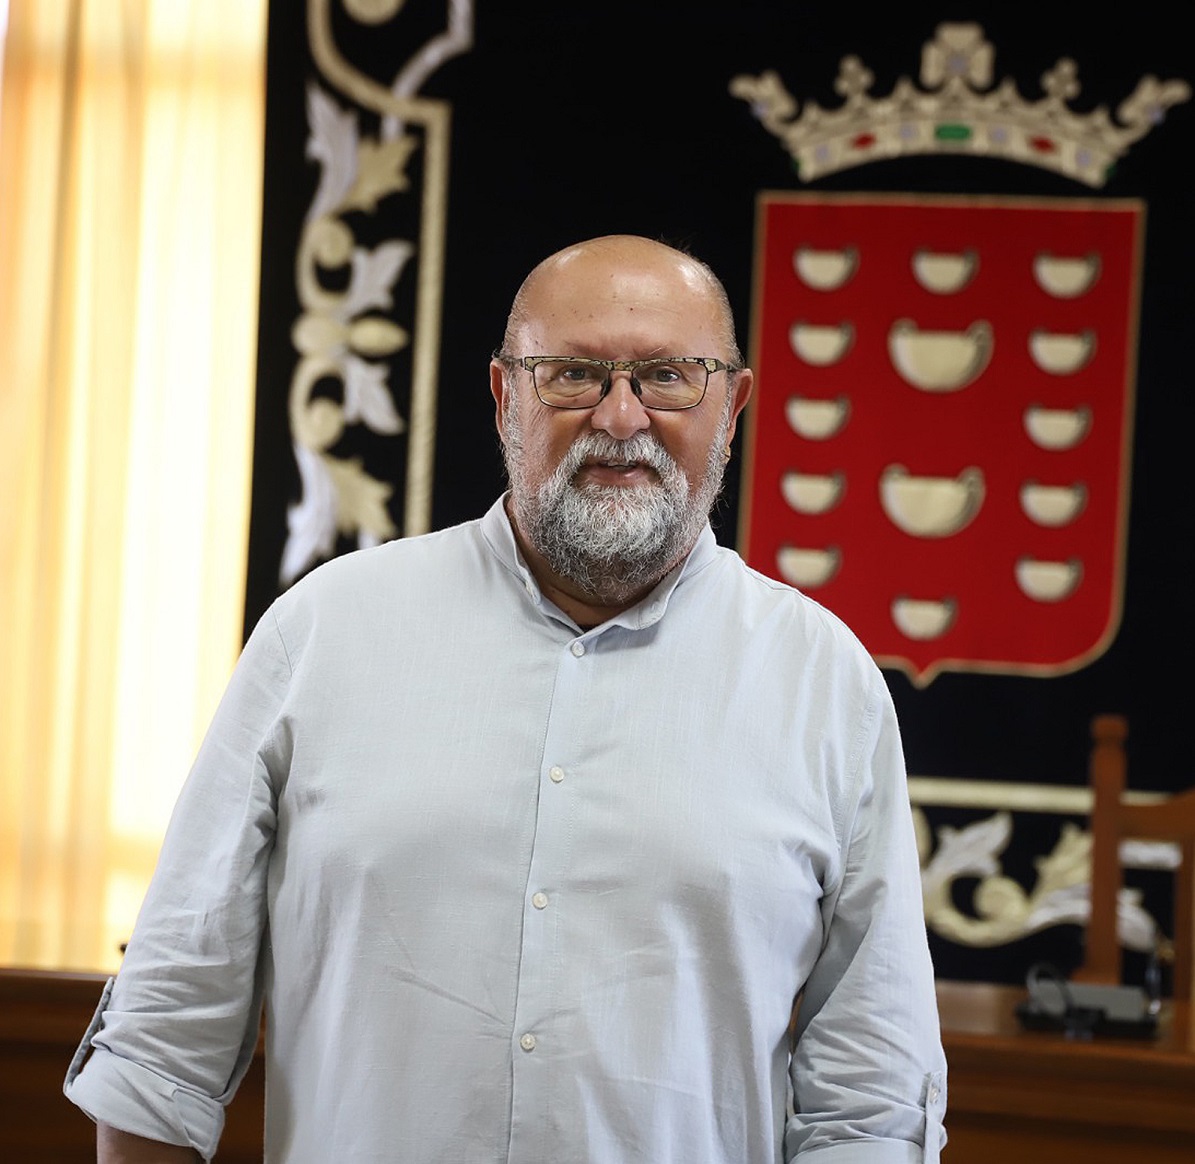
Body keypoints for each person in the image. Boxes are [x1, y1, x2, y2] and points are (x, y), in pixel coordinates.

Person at [65, 235, 947, 1162]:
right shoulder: (322, 635)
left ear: (732, 403)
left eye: (667, 376)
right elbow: (166, 1036)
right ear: (503, 397)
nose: (619, 417)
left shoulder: (823, 684)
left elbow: (871, 1098)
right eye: (572, 374)